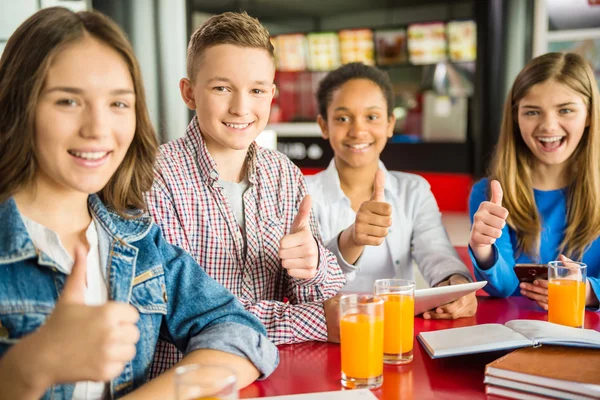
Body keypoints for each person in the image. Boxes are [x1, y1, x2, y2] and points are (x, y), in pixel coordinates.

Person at [0, 7, 278, 400]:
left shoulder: (137, 239)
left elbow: (241, 332)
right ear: (18, 105)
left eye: (118, 104)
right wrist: (28, 369)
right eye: (68, 102)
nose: (98, 129)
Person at [145, 11, 345, 373]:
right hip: (188, 383)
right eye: (222, 88)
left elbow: (324, 299)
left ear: (271, 94)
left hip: (274, 374)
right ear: (189, 93)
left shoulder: (283, 174)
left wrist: (313, 265)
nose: (241, 107)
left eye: (255, 90)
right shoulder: (156, 178)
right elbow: (185, 317)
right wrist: (314, 319)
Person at [306, 62, 477, 320]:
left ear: (389, 123)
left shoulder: (413, 190)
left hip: (397, 331)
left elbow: (437, 253)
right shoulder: (302, 194)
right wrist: (351, 240)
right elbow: (304, 283)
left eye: (372, 117)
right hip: (329, 333)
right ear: (324, 125)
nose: (358, 130)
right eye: (342, 118)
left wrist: (455, 285)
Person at [468, 52, 600, 310]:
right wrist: (483, 249)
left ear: (589, 116)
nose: (549, 126)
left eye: (565, 110)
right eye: (532, 112)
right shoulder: (489, 192)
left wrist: (585, 292)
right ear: (516, 118)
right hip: (516, 334)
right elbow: (503, 287)